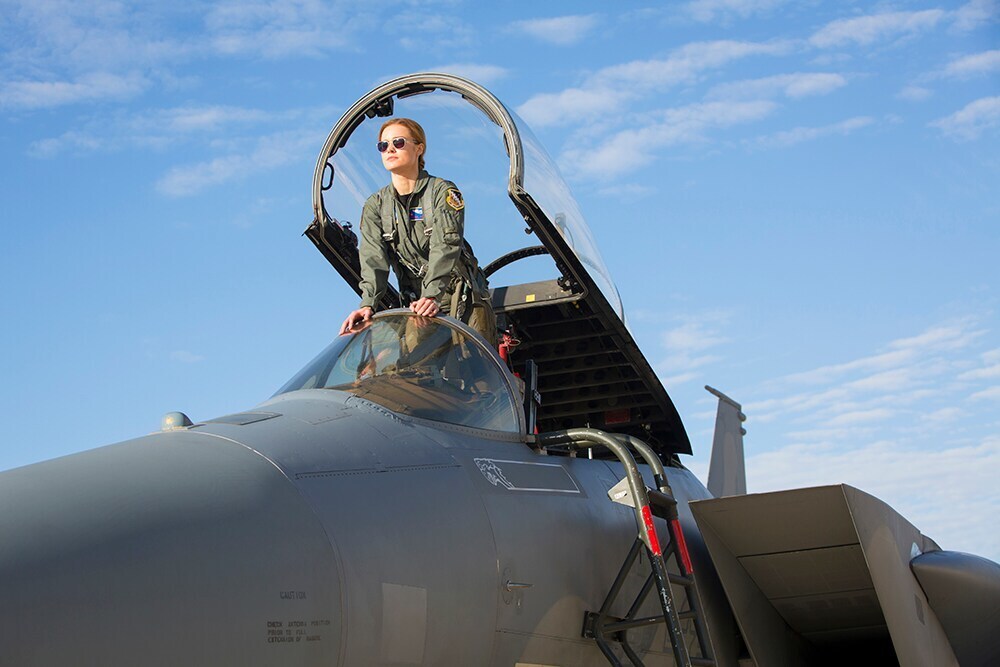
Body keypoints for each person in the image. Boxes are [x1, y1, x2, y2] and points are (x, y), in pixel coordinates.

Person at [339, 118, 496, 344]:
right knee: (411, 372)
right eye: (383, 145)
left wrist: (431, 295)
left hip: (460, 295)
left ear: (419, 148)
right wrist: (367, 304)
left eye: (399, 142)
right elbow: (373, 258)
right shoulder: (376, 205)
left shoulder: (442, 192)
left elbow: (445, 246)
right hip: (417, 303)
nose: (389, 149)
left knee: (478, 371)